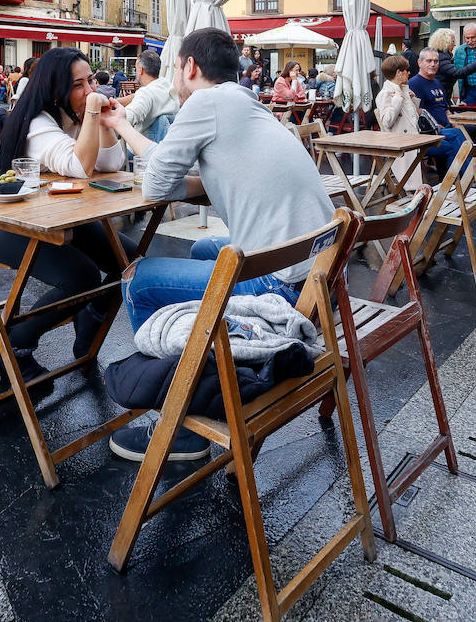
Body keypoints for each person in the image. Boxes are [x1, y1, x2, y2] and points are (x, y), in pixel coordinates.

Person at [98, 28, 335, 462]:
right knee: (203, 251)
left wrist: (121, 128)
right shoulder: (245, 102)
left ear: (191, 67)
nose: (174, 77)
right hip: (319, 277)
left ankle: (179, 422)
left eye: (175, 68)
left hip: (281, 289)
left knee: (139, 279)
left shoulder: (205, 102)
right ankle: (214, 364)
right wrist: (123, 126)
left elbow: (156, 183)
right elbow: (199, 182)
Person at [0, 48, 131, 383]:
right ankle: (13, 347)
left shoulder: (74, 116)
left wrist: (104, 121)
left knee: (131, 261)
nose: (90, 90)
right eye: (79, 85)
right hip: (10, 223)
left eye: (90, 80)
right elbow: (80, 166)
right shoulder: (36, 123)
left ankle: (90, 313)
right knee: (82, 277)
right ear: (55, 90)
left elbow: (110, 164)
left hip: (60, 218)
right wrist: (94, 114)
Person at [407, 48, 467, 168]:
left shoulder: (437, 82)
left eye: (436, 61)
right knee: (457, 138)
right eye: (429, 61)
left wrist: (454, 122)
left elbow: (446, 109)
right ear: (419, 62)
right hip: (430, 133)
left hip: (446, 127)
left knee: (470, 131)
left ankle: (460, 178)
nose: (433, 64)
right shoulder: (414, 83)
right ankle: (466, 178)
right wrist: (436, 125)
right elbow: (418, 112)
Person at [375, 55, 424, 190]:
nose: (408, 73)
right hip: (401, 144)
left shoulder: (404, 90)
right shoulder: (385, 94)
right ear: (398, 72)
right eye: (406, 70)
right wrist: (397, 100)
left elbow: (413, 119)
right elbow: (387, 121)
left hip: (415, 140)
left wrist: (413, 99)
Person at [119, 50, 178, 142]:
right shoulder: (168, 86)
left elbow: (128, 117)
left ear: (141, 69)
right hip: (165, 142)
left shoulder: (145, 93)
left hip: (142, 147)